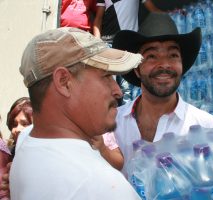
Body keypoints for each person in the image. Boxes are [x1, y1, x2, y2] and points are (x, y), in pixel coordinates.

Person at [9, 27, 142, 200]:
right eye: (107, 76)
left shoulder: (27, 139)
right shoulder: (102, 186)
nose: (118, 92)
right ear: (64, 82)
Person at [111, 13, 213, 168]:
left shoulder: (206, 127)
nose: (164, 65)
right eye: (152, 56)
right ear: (137, 69)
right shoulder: (113, 124)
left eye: (173, 55)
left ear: (182, 65)